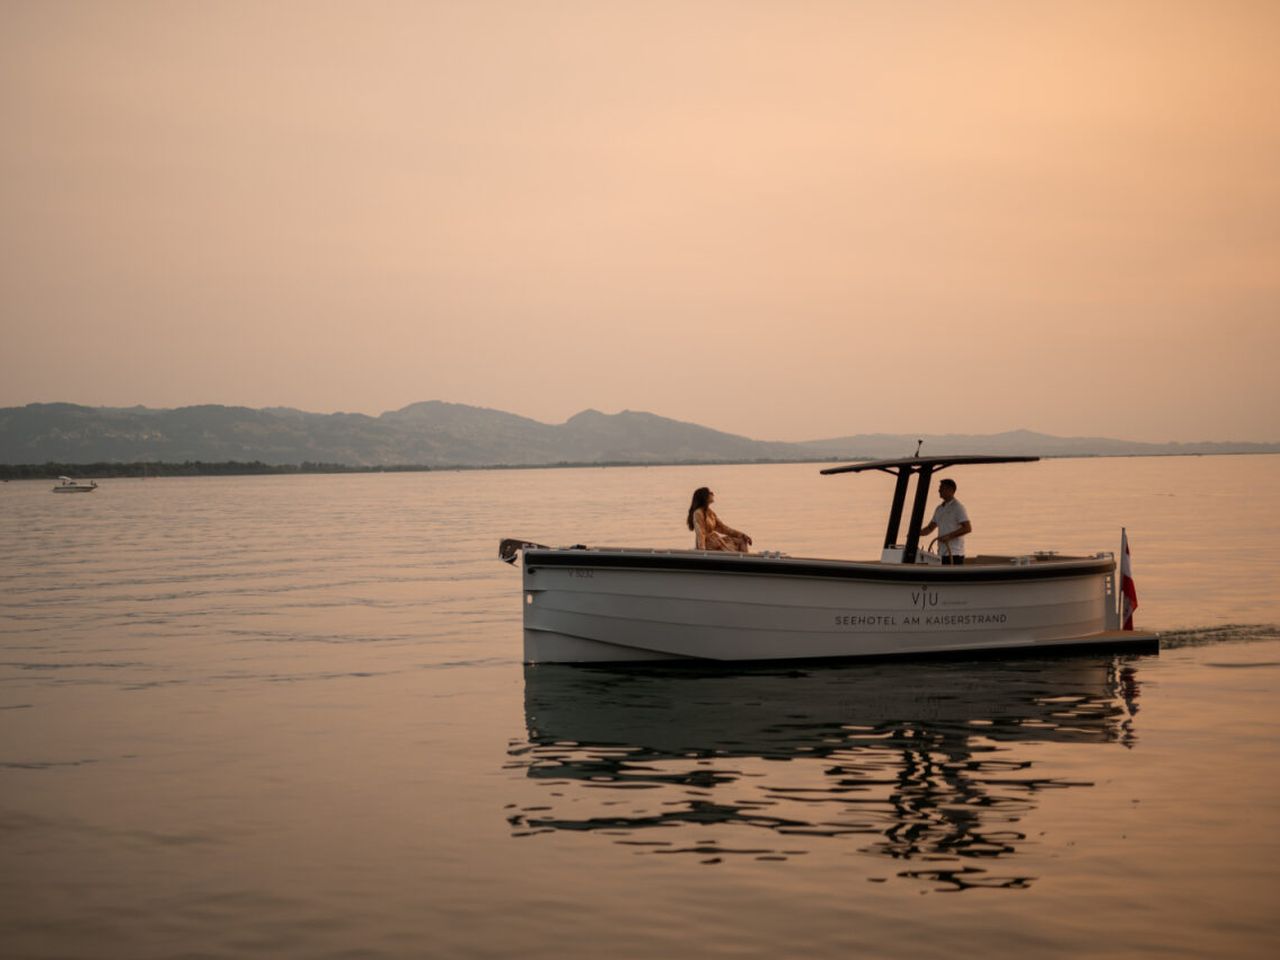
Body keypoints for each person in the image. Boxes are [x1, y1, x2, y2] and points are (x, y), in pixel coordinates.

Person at [920, 478, 971, 565]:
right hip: (941, 554)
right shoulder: (939, 509)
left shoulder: (958, 507)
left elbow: (967, 528)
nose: (939, 490)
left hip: (954, 554)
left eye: (941, 488)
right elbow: (929, 528)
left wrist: (949, 536)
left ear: (950, 490)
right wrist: (915, 534)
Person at [687, 487, 752, 553]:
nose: (712, 493)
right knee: (733, 547)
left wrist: (742, 535)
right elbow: (700, 533)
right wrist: (702, 552)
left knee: (742, 540)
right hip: (708, 544)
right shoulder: (698, 513)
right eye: (709, 492)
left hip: (716, 541)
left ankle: (744, 560)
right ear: (704, 497)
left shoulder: (710, 512)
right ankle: (742, 560)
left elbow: (724, 528)